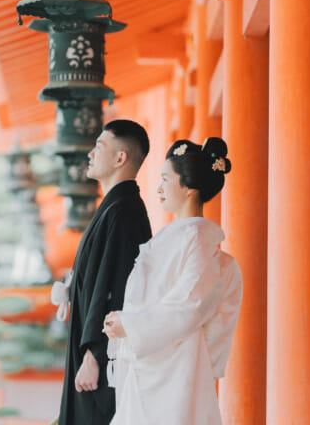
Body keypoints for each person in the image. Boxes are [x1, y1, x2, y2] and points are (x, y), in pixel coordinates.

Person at [102, 137, 243, 425]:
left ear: (189, 189)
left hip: (176, 373)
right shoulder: (178, 236)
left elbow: (191, 305)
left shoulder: (197, 238)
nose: (159, 188)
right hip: (157, 366)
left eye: (166, 179)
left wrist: (131, 324)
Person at [57, 119, 153, 425]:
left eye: (99, 146)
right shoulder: (114, 208)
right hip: (93, 350)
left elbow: (119, 288)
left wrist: (95, 354)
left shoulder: (125, 211)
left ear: (120, 157)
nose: (90, 153)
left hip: (102, 358)